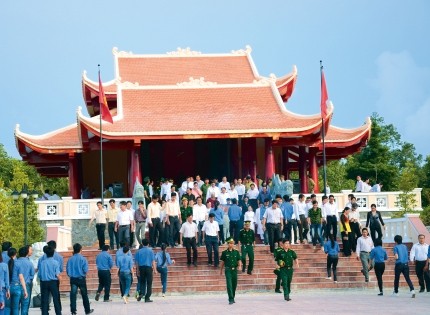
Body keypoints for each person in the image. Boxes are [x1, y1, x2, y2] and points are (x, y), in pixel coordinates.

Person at [66, 243, 94, 315]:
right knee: (84, 295)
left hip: (73, 279)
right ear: (81, 249)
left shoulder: (70, 259)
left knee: (73, 295)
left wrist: (70, 275)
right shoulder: (83, 259)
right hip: (81, 278)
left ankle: (73, 311)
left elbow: (67, 270)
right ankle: (87, 310)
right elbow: (85, 270)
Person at [9, 246, 32, 315]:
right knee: (25, 306)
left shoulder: (14, 262)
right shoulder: (29, 263)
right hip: (25, 285)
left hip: (13, 285)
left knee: (15, 307)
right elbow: (31, 275)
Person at [38, 246, 61, 315]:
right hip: (53, 282)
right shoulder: (56, 263)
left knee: (44, 300)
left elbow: (39, 275)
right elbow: (57, 274)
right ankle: (58, 313)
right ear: (53, 253)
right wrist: (60, 280)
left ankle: (44, 313)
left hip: (44, 282)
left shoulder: (42, 263)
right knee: (56, 299)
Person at [219, 237, 242, 305]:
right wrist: (220, 270)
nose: (231, 244)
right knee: (229, 284)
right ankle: (230, 299)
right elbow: (222, 262)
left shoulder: (236, 252)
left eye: (232, 243)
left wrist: (240, 266)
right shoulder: (224, 253)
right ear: (228, 244)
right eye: (230, 243)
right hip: (228, 270)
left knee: (234, 284)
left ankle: (233, 297)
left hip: (234, 270)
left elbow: (239, 260)